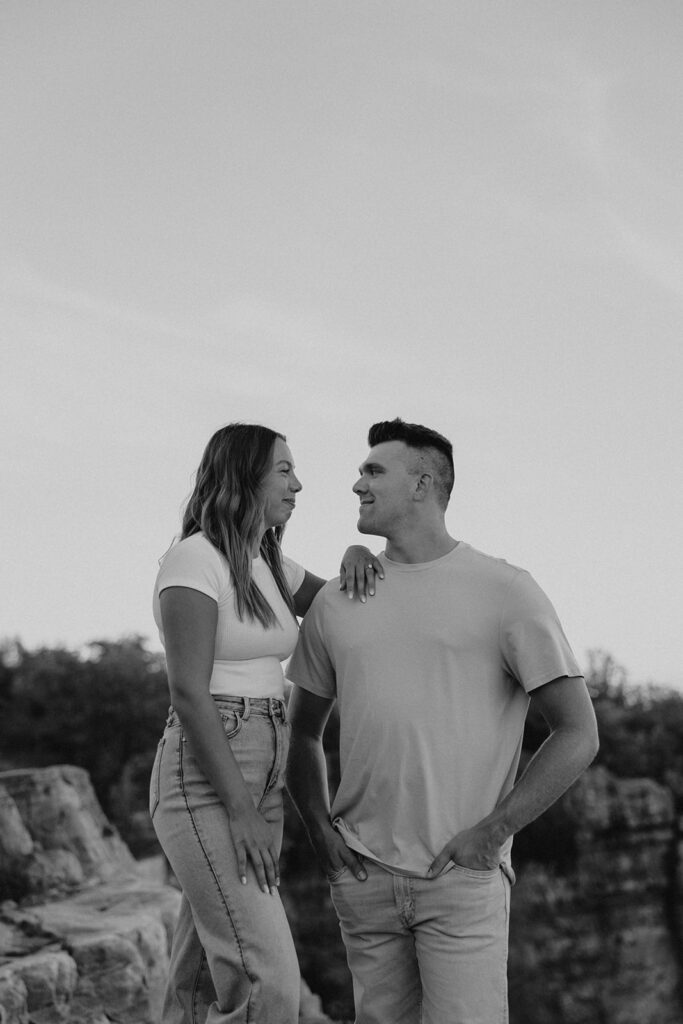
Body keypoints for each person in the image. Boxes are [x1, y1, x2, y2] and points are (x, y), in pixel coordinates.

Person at [286, 417, 599, 1024]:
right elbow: (302, 731)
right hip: (363, 879)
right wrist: (321, 833)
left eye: (373, 470)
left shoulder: (506, 590)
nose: (356, 484)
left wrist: (493, 832)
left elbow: (578, 732)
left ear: (423, 484)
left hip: (460, 877)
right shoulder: (338, 599)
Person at [148, 422, 383, 1024]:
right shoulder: (192, 561)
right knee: (268, 986)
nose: (298, 484)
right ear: (243, 475)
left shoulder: (270, 562)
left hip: (265, 766)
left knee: (199, 973)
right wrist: (241, 810)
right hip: (208, 777)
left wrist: (358, 555)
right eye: (284, 470)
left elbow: (343, 605)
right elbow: (189, 693)